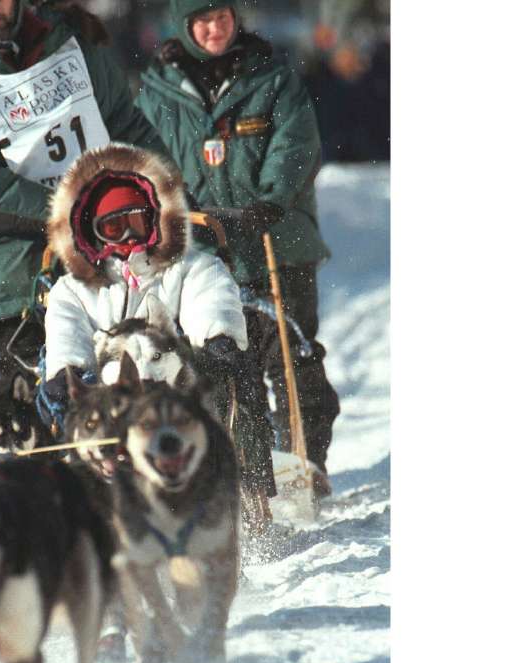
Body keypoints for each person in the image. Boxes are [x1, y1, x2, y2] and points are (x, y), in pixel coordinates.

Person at [136, 0, 340, 495]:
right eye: (202, 21)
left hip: (278, 239)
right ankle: (245, 473)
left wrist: (268, 201)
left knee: (294, 360)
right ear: (184, 26)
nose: (214, 29)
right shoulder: (157, 89)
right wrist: (177, 210)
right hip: (204, 254)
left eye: (222, 17)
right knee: (226, 366)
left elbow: (297, 144)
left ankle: (304, 463)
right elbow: (147, 158)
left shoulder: (271, 77)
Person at [0, 0, 166, 378]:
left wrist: (169, 195)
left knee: (137, 400)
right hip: (14, 286)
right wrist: (76, 214)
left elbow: (127, 128)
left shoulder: (72, 45)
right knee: (60, 419)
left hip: (109, 264)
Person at [39, 142, 247, 405]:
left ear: (154, 219)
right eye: (114, 227)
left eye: (136, 222)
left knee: (230, 381)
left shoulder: (187, 267)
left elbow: (209, 297)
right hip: (111, 402)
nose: (128, 236)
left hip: (182, 392)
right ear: (92, 233)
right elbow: (67, 332)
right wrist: (68, 372)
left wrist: (217, 336)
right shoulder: (73, 290)